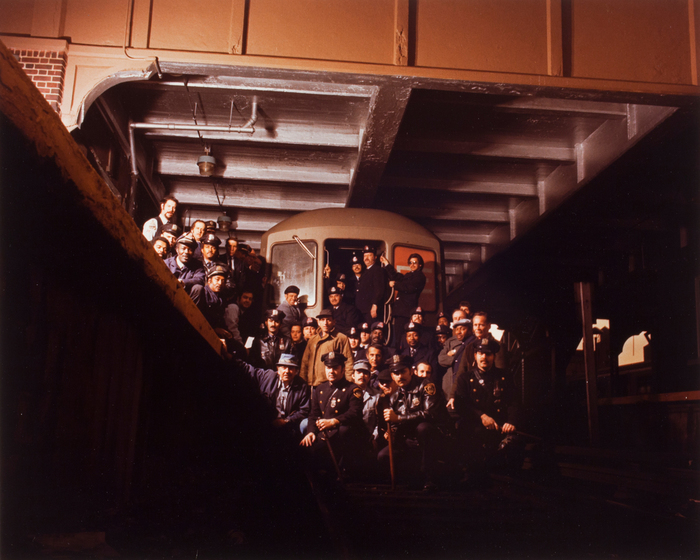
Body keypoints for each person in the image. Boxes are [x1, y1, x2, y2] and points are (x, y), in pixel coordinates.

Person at [453, 337, 523, 474]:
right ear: (475, 355)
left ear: (494, 356)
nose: (484, 357)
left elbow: (514, 402)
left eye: (488, 354)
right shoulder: (465, 378)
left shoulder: (505, 376)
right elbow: (461, 405)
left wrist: (511, 422)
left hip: (499, 425)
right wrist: (482, 416)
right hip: (474, 425)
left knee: (514, 445)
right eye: (480, 354)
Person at [378, 355, 446, 491]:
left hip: (433, 436)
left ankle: (430, 478)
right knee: (383, 456)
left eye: (403, 371)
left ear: (411, 371)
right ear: (392, 375)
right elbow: (394, 423)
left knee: (423, 428)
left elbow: (430, 414)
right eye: (396, 373)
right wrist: (391, 431)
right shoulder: (395, 395)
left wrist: (399, 418)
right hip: (408, 439)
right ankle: (410, 479)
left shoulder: (426, 386)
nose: (400, 376)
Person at [300, 352, 365, 473]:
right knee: (304, 451)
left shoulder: (353, 389)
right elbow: (314, 414)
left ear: (343, 369)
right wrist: (311, 432)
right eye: (328, 367)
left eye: (335, 368)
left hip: (343, 436)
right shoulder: (320, 389)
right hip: (324, 434)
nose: (331, 371)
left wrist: (334, 421)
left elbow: (354, 413)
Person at [235, 353, 310, 440]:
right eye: (284, 367)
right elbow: (248, 369)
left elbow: (304, 410)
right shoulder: (268, 377)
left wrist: (286, 421)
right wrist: (229, 357)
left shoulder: (302, 386)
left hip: (289, 425)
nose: (287, 371)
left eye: (291, 368)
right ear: (278, 369)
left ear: (296, 371)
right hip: (267, 423)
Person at [380, 253, 426, 345]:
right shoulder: (409, 275)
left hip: (406, 312)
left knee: (402, 338)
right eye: (410, 263)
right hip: (401, 312)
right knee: (398, 338)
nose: (412, 265)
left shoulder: (420, 277)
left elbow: (409, 287)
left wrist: (395, 284)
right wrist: (387, 264)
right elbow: (396, 276)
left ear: (420, 265)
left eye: (415, 263)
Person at [300, 309, 354, 386]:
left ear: (334, 322)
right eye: (322, 320)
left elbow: (348, 362)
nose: (325, 323)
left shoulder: (341, 338)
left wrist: (349, 383)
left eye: (328, 320)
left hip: (331, 384)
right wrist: (302, 382)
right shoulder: (312, 340)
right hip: (312, 384)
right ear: (318, 322)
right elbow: (305, 363)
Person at [439, 317, 472, 409]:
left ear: (470, 330)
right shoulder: (455, 342)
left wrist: (453, 356)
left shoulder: (471, 344)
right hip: (453, 385)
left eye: (462, 329)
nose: (458, 332)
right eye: (457, 329)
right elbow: (441, 359)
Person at [190, 263, 229, 334]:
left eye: (223, 281)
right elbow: (194, 317)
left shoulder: (222, 297)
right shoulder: (201, 293)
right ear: (209, 280)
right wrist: (214, 329)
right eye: (217, 279)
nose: (220, 283)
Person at [355, 245, 387, 324]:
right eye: (365, 256)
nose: (366, 258)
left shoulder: (377, 270)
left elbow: (379, 290)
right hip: (362, 310)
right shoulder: (365, 271)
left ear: (375, 257)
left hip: (370, 310)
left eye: (369, 255)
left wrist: (375, 305)